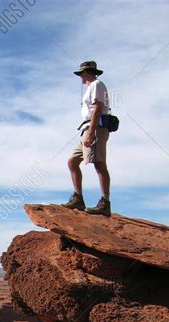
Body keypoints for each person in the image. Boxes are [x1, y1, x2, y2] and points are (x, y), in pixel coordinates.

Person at [62, 60, 112, 216]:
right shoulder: (91, 87)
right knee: (72, 161)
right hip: (87, 128)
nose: (80, 78)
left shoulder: (97, 84)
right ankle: (78, 198)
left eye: (81, 74)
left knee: (99, 164)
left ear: (86, 73)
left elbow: (97, 108)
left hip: (94, 128)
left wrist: (91, 131)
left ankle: (105, 202)